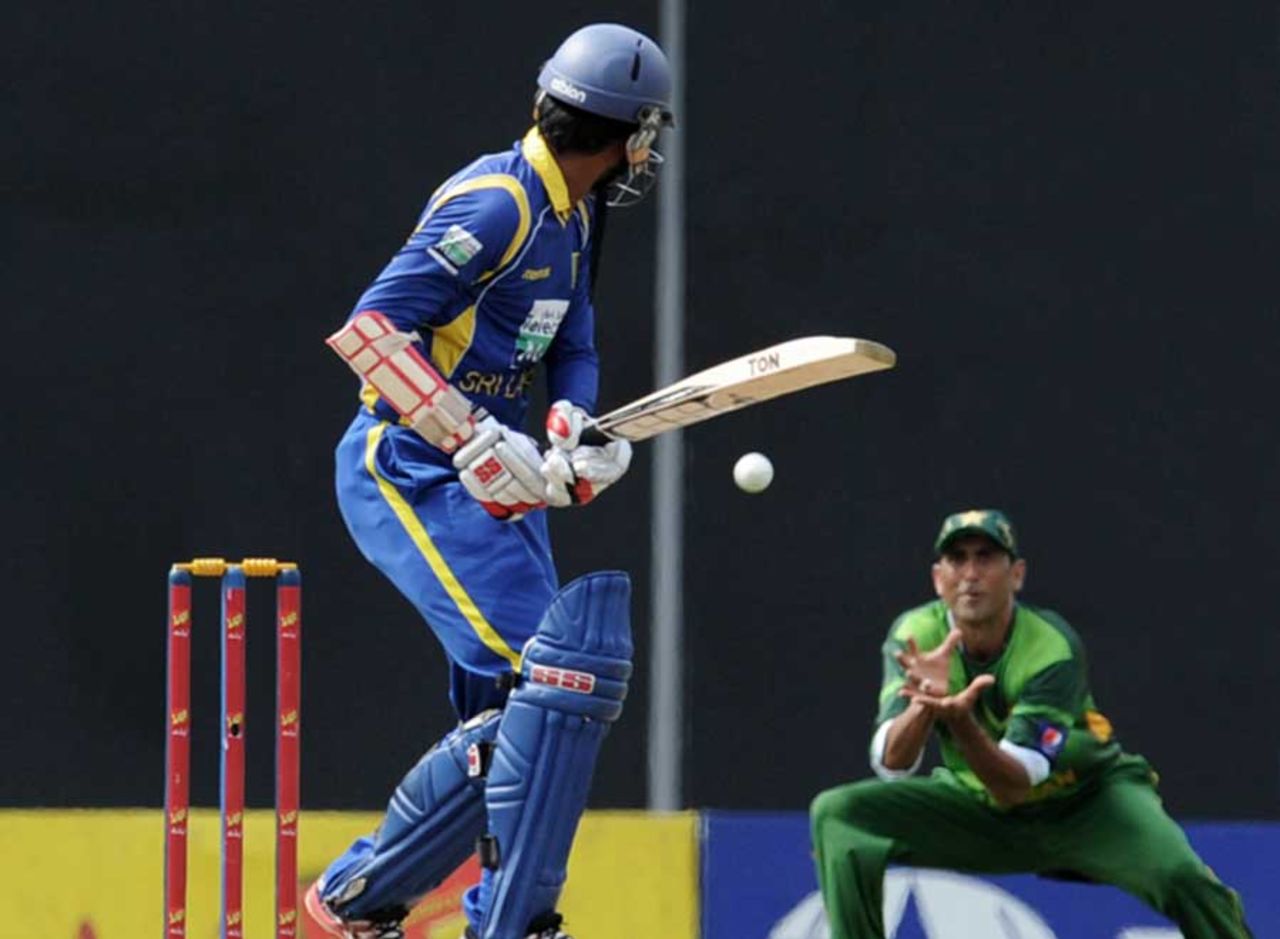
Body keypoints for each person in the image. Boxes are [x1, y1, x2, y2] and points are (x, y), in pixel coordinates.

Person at [306, 23, 674, 939]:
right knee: (554, 683)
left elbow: (573, 340)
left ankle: (464, 914)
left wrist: (569, 425)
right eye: (647, 133)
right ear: (626, 134)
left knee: (523, 713)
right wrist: (468, 433)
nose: (648, 152)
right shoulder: (499, 206)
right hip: (408, 462)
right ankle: (366, 898)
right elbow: (370, 332)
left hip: (495, 479)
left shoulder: (576, 214)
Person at [809, 509, 1254, 939]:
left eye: (985, 557)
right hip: (979, 810)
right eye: (957, 559)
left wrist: (959, 719)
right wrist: (924, 705)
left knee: (1185, 880)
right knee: (840, 815)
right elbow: (892, 764)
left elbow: (1015, 784)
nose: (970, 573)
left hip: (1087, 803)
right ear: (937, 578)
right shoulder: (915, 635)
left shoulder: (1049, 647)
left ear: (1016, 574)